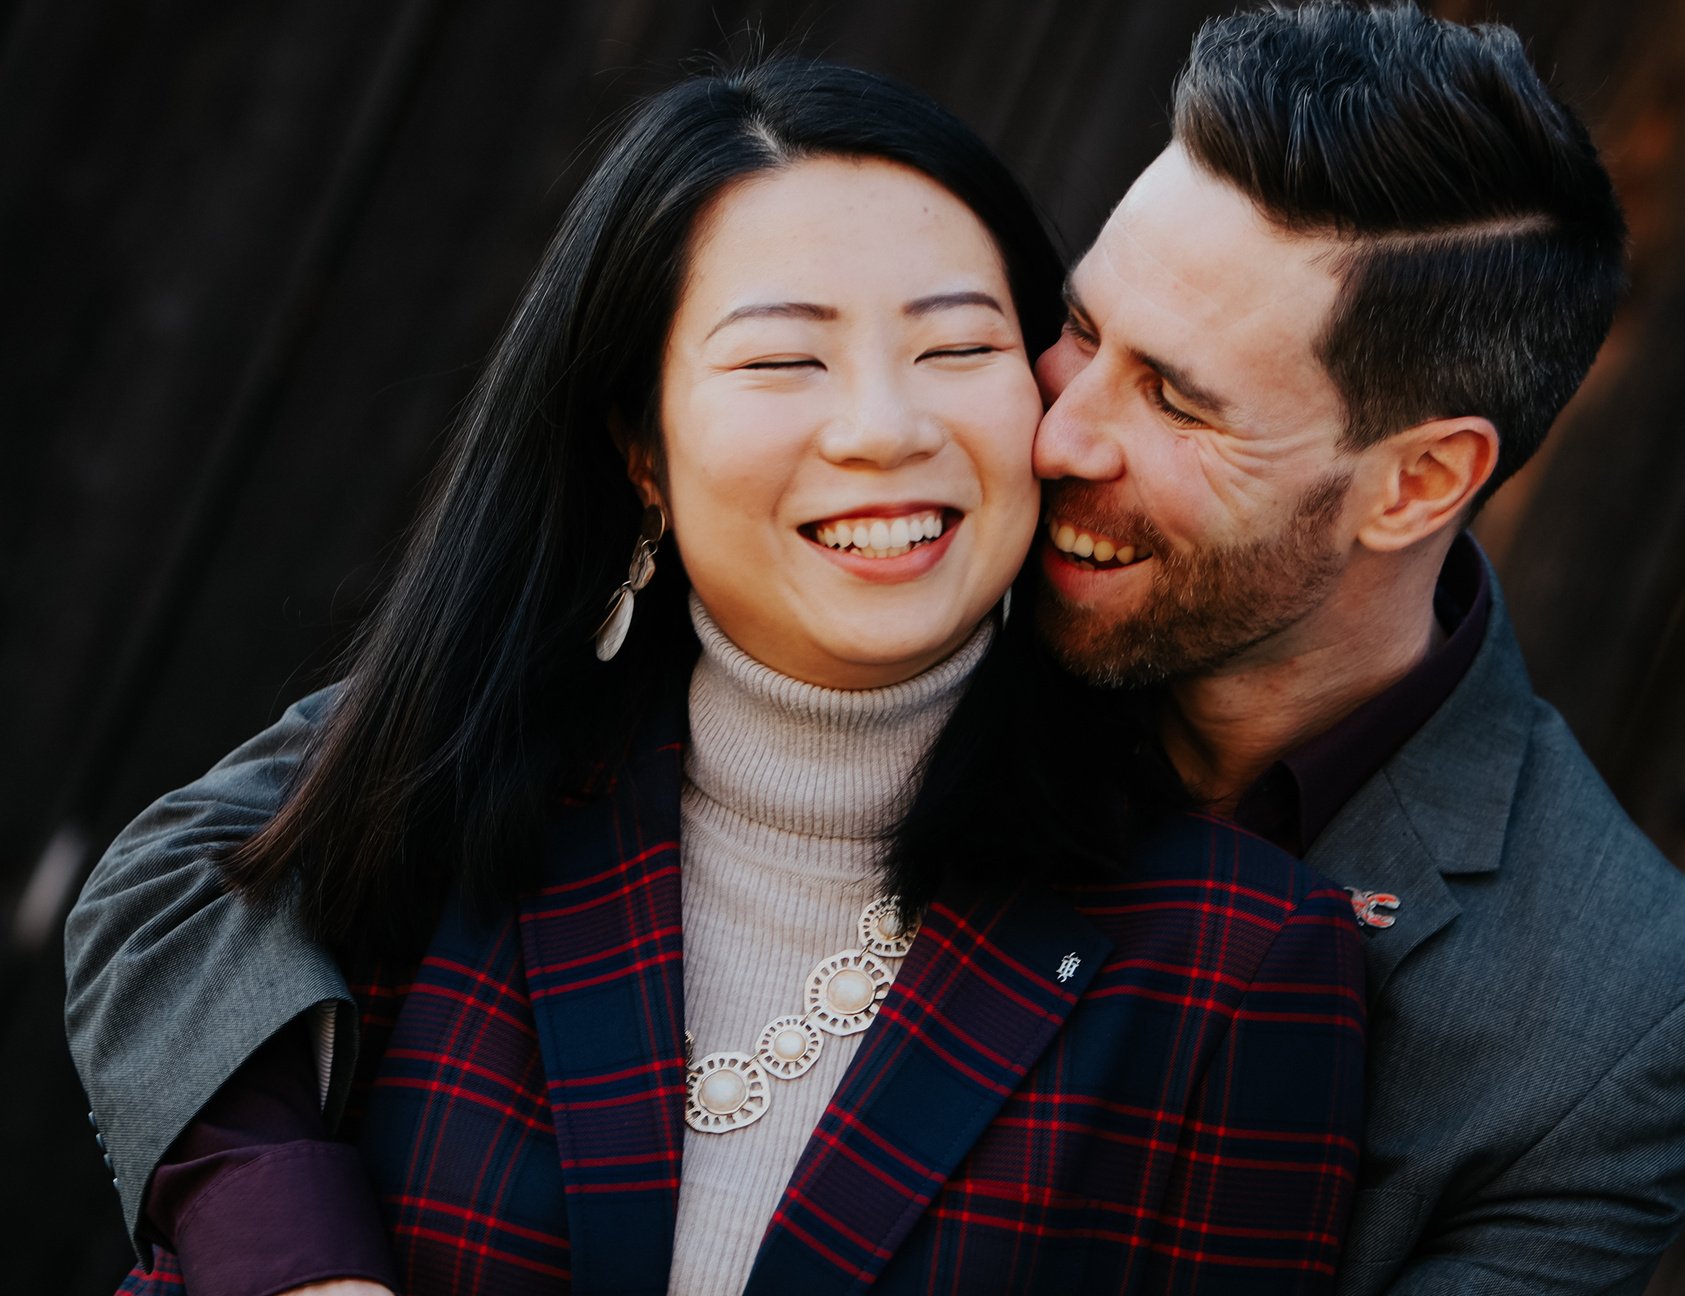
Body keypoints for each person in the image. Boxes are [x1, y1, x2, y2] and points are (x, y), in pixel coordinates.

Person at [66, 59, 1363, 1296]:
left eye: (957, 349)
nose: (883, 428)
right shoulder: (444, 793)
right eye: (781, 359)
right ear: (642, 449)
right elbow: (179, 890)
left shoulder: (1238, 971)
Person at [1030, 4, 1685, 1293]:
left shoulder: (1621, 1020)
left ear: (1420, 483)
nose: (1057, 440)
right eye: (1084, 331)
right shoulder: (905, 604)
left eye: (1175, 397)